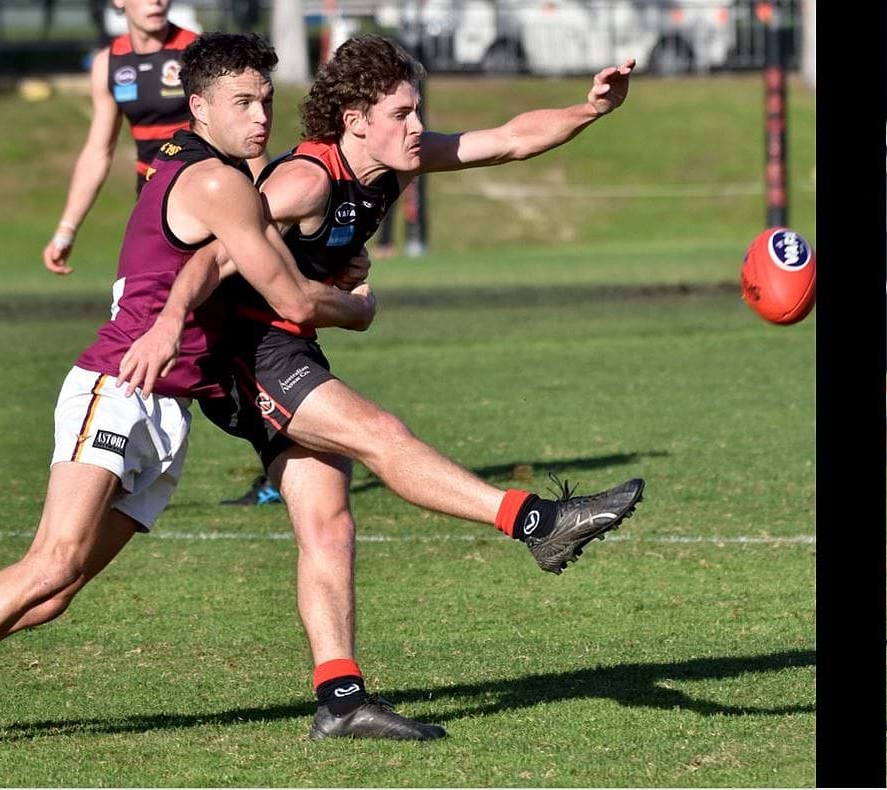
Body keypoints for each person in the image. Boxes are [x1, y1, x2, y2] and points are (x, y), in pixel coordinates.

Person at [119, 35, 645, 742]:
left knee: (329, 521)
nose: (417, 125)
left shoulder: (398, 159)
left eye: (416, 109)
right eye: (402, 113)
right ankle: (538, 523)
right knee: (381, 435)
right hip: (244, 354)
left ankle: (340, 702)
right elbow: (213, 254)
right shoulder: (305, 182)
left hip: (288, 346)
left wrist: (591, 109)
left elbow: (509, 140)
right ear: (356, 120)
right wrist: (169, 322)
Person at [0, 32, 374, 670]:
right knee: (51, 563)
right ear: (199, 107)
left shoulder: (210, 171)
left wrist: (331, 260)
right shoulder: (216, 182)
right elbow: (293, 299)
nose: (260, 117)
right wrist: (357, 305)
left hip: (169, 409)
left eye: (266, 101)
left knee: (55, 592)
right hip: (120, 386)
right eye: (242, 103)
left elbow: (265, 266)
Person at [43, 0, 280, 508]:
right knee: (156, 327)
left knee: (240, 328)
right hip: (163, 206)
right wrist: (66, 229)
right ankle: (119, 437)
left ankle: (280, 459)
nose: (157, 0)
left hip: (218, 200)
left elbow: (247, 133)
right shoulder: (111, 63)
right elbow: (100, 148)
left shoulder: (195, 50)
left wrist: (261, 214)